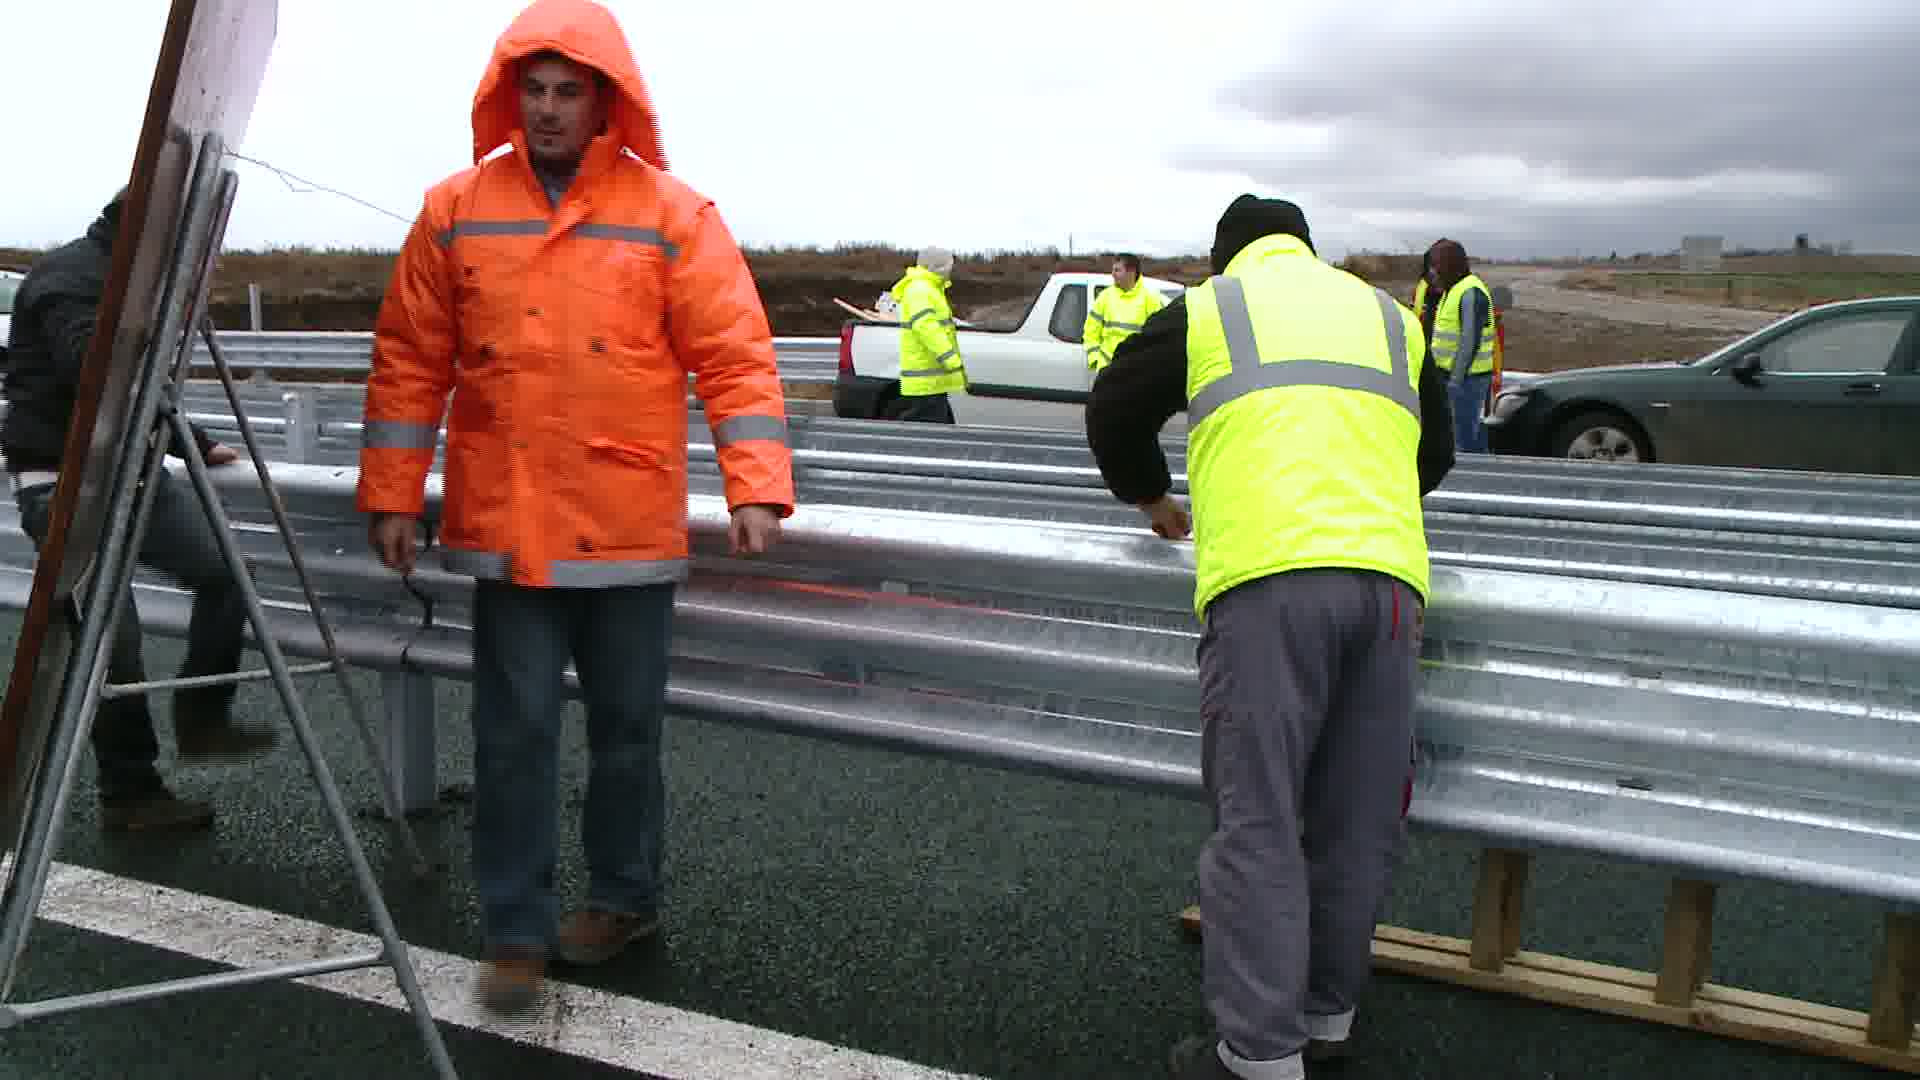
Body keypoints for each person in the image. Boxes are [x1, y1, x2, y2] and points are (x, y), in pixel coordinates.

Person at [354, 0, 795, 1015]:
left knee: (628, 733)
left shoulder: (672, 213)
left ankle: (623, 897)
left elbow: (734, 352)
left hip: (628, 523)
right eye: (534, 92)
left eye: (568, 92)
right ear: (510, 97)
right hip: (507, 525)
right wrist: (390, 492)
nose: (548, 111)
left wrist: (755, 483)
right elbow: (409, 360)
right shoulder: (454, 208)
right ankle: (515, 927)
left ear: (606, 101)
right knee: (510, 733)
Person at [1085, 194, 1455, 1080]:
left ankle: (1256, 1056)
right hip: (1391, 586)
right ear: (1306, 248)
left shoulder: (1213, 305)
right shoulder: (1385, 313)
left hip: (1269, 583)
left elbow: (1113, 413)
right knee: (1357, 817)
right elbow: (1433, 453)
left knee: (1259, 823)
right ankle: (1327, 1021)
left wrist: (1156, 501)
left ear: (1226, 257)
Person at [0, 189, 277, 833]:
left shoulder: (127, 278)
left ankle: (204, 717)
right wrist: (188, 432)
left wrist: (197, 443)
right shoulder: (71, 279)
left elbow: (134, 388)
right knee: (110, 639)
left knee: (226, 572)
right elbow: (101, 374)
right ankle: (130, 795)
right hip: (62, 483)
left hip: (134, 472)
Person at [1426, 238, 1497, 452]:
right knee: (1456, 435)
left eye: (1436, 265)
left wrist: (1455, 383)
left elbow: (1469, 342)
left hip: (1467, 381)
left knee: (1465, 439)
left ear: (1448, 266)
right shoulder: (1453, 290)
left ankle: (1476, 480)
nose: (1432, 272)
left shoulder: (1470, 292)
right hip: (1453, 377)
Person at [883, 246, 966, 422]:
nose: (951, 270)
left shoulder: (930, 288)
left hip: (931, 378)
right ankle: (891, 446)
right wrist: (950, 358)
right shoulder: (921, 290)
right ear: (939, 267)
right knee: (927, 429)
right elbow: (927, 328)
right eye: (949, 266)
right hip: (926, 378)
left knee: (935, 426)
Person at [1083, 253, 1166, 376]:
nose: (1113, 274)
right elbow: (1090, 332)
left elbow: (1160, 337)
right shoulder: (1105, 297)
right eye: (1113, 270)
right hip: (1107, 371)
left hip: (1137, 373)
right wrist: (1096, 360)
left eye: (1117, 270)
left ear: (1131, 272)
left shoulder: (1150, 299)